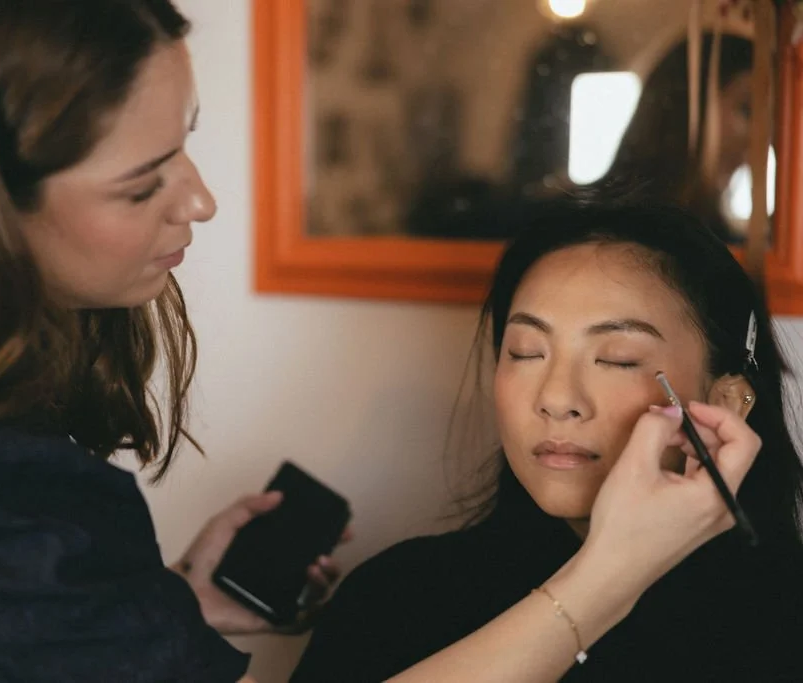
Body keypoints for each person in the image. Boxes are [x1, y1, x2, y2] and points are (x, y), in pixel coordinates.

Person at [0, 2, 767, 681]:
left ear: (728, 392)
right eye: (143, 181)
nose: (200, 199)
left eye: (616, 354)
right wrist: (605, 577)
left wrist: (154, 607)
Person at [291, 200, 803, 682]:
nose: (556, 398)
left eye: (618, 359)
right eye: (526, 351)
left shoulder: (783, 617)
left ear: (727, 400)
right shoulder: (395, 597)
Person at [594, 33, 755, 243]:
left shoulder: (724, 240)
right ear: (687, 106)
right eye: (747, 110)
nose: (760, 138)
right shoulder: (594, 227)